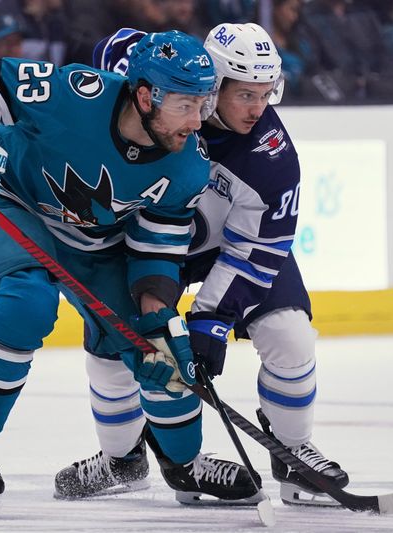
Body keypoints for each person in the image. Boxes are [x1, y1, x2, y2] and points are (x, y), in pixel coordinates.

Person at [0, 30, 261, 518]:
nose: (197, 122)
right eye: (185, 106)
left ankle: (184, 464)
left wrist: (155, 313)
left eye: (203, 104)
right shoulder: (74, 93)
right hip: (12, 205)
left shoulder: (188, 167)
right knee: (26, 304)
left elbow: (155, 247)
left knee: (163, 345)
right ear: (146, 97)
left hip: (96, 243)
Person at [54, 23, 350, 508]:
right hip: (141, 245)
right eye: (246, 95)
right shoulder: (168, 94)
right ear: (213, 85)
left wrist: (211, 320)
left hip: (223, 248)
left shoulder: (270, 153)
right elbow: (114, 47)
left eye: (267, 94)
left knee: (290, 334)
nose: (258, 109)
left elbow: (258, 247)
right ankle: (123, 460)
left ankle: (293, 453)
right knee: (113, 356)